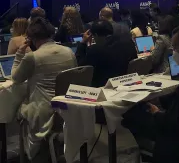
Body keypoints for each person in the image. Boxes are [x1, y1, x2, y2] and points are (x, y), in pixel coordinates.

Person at [122, 24, 179, 163]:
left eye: (175, 48)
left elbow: (175, 121)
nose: (173, 52)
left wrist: (156, 113)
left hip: (175, 137)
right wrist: (160, 100)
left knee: (130, 116)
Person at [11, 17, 77, 161]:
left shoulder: (32, 57)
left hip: (43, 111)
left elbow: (15, 78)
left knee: (15, 109)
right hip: (67, 110)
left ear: (31, 39)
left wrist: (19, 54)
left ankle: (30, 155)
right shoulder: (69, 52)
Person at [75, 20, 137, 87]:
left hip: (104, 87)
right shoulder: (129, 44)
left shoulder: (95, 50)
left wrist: (83, 43)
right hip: (129, 84)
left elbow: (81, 68)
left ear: (95, 35)